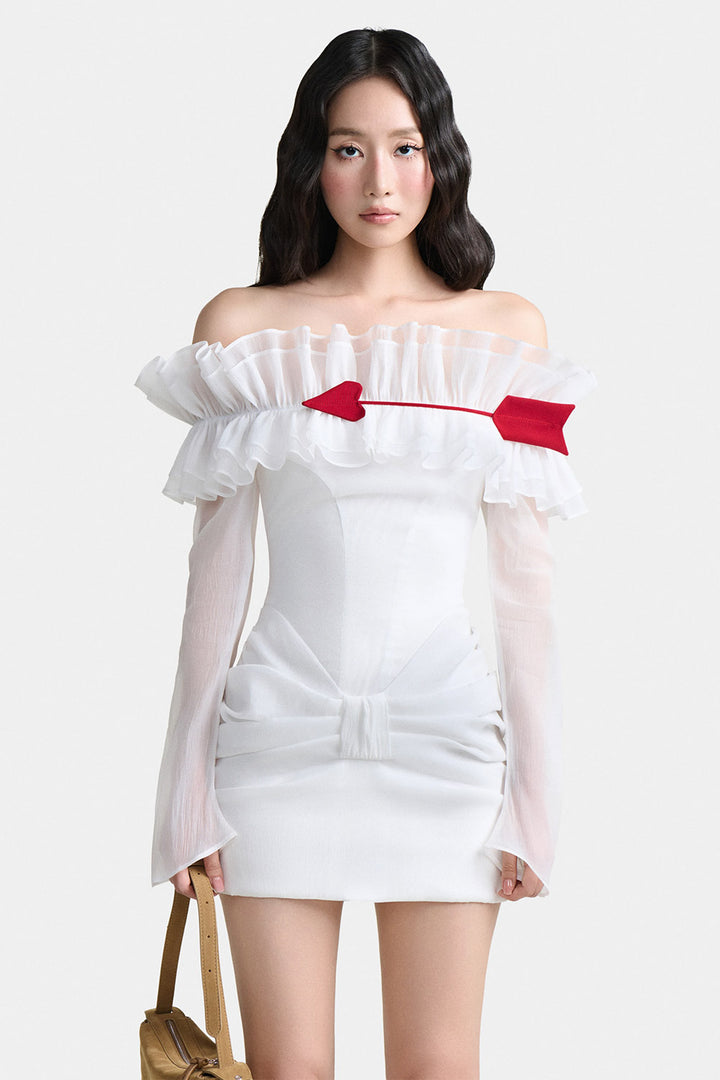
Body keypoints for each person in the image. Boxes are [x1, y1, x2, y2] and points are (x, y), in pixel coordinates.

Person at [135, 27, 596, 1080]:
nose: (379, 181)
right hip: (274, 740)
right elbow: (213, 586)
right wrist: (182, 801)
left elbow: (527, 594)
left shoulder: (507, 333)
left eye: (404, 147)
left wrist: (536, 801)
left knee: (438, 1068)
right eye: (349, 149)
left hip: (446, 739)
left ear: (440, 158)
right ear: (313, 162)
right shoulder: (245, 330)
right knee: (288, 1073)